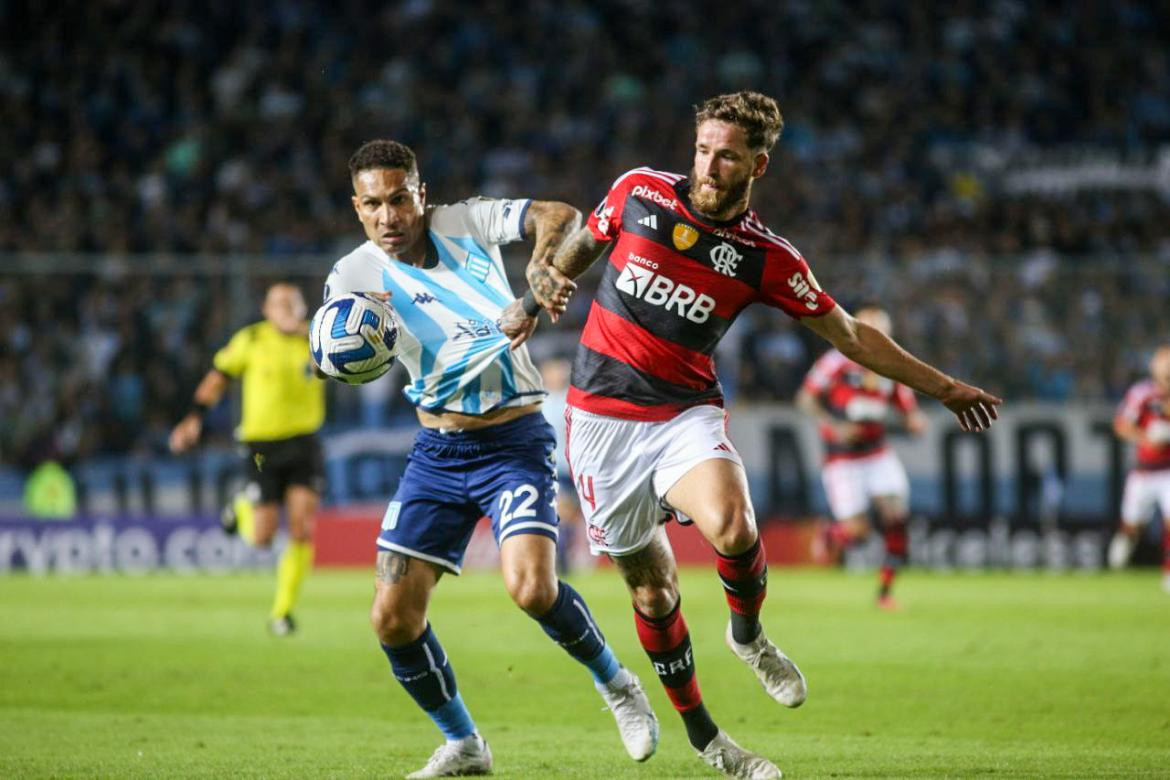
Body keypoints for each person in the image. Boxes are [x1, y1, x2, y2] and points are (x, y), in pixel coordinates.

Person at [513, 91, 1002, 779]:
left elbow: (853, 337)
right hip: (599, 425)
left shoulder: (767, 258)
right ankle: (710, 741)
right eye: (704, 150)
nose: (709, 166)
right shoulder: (638, 192)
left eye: (728, 156)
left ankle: (749, 638)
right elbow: (577, 251)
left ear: (758, 165)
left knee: (735, 525)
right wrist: (534, 299)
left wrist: (946, 389)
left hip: (684, 414)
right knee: (653, 594)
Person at [325, 139, 657, 779]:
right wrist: (331, 361)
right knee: (392, 618)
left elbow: (558, 215)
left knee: (532, 589)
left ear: (420, 194)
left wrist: (538, 270)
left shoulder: (463, 222)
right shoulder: (352, 277)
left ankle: (618, 686)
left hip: (513, 442)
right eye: (373, 205)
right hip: (437, 453)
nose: (389, 216)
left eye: (399, 199)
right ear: (357, 208)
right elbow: (334, 344)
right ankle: (466, 744)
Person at [170, 282, 323, 636]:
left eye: (293, 303)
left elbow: (348, 367)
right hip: (260, 448)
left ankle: (282, 613)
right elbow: (218, 377)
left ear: (302, 308)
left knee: (302, 527)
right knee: (262, 537)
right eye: (279, 304)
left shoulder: (318, 339)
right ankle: (239, 507)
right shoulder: (251, 340)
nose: (286, 309)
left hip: (304, 443)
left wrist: (315, 340)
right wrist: (194, 417)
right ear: (267, 311)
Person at [796, 305, 928, 609]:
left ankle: (885, 593)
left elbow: (908, 409)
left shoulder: (891, 367)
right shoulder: (835, 361)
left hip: (877, 453)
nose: (875, 336)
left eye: (881, 331)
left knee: (897, 517)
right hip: (842, 459)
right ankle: (832, 532)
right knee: (858, 534)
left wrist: (914, 420)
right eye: (868, 329)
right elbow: (804, 399)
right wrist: (835, 426)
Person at [1107, 344, 1170, 593]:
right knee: (1133, 525)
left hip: (1168, 470)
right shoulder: (1142, 394)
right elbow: (1121, 424)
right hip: (1144, 471)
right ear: (1155, 368)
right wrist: (1147, 438)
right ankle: (1125, 539)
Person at [539, 356, 584, 573]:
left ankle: (562, 556)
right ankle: (560, 559)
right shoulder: (542, 402)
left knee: (568, 515)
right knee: (562, 513)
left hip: (573, 466)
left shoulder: (571, 400)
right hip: (554, 468)